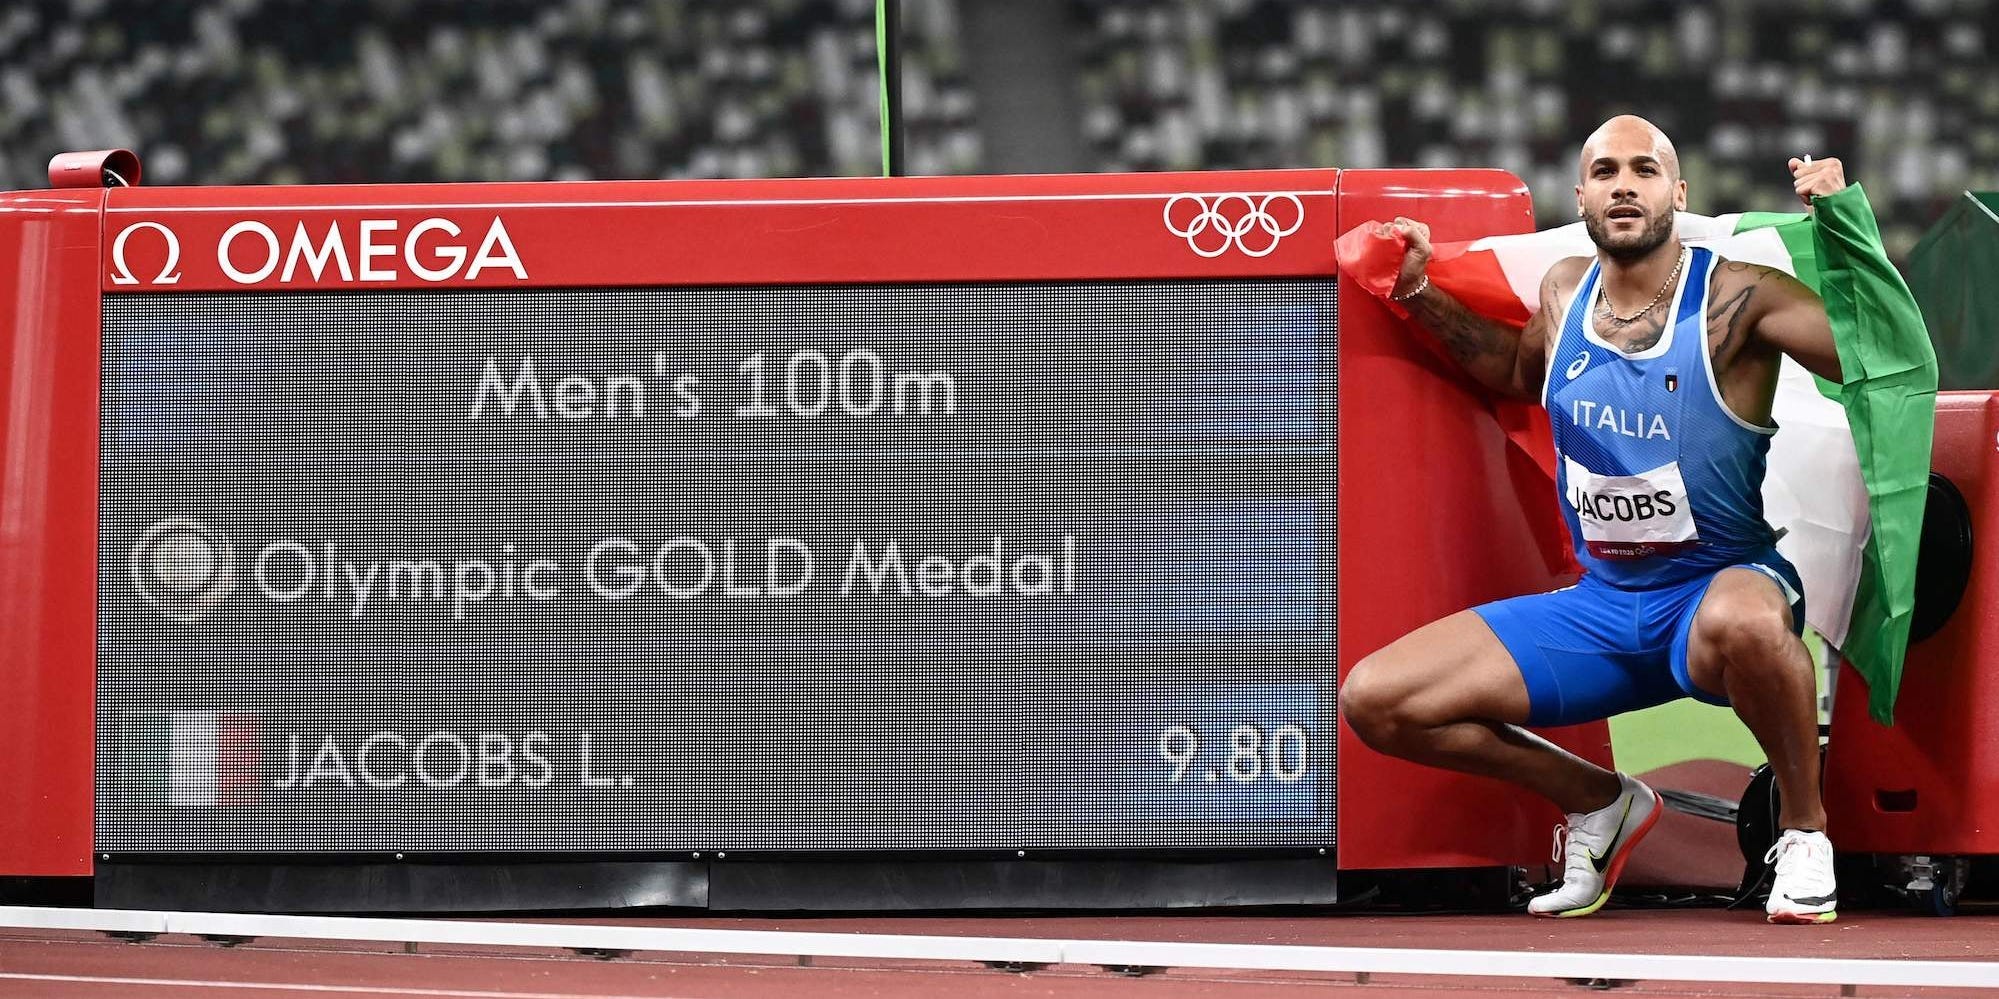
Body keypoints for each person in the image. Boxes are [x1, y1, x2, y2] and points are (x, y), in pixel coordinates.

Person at [1340, 115, 1850, 923]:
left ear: (1676, 195)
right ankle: (1602, 803)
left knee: (1748, 624)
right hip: (1603, 608)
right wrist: (1411, 290)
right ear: (1579, 195)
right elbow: (1513, 368)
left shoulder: (1738, 297)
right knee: (1377, 698)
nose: (1622, 184)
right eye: (1604, 170)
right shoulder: (1563, 290)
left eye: (1643, 170)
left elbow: (1871, 358)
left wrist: (1844, 229)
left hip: (1715, 593)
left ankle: (1804, 830)